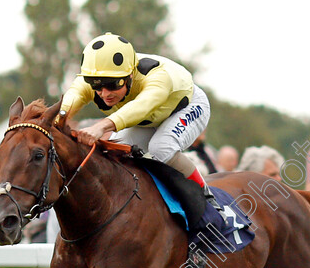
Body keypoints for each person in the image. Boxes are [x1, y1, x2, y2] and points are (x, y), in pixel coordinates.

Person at [60, 32, 222, 213]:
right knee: (117, 150)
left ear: (130, 75)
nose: (105, 93)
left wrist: (101, 126)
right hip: (149, 118)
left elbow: (142, 106)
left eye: (113, 84)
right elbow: (66, 104)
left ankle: (208, 200)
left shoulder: (158, 77)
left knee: (161, 147)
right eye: (97, 85)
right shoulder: (92, 80)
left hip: (187, 106)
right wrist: (50, 121)